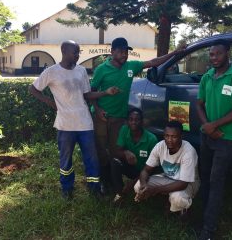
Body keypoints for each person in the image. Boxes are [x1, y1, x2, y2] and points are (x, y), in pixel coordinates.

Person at [91, 37, 186, 194]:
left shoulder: (131, 66)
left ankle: (116, 185)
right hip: (101, 116)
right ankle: (103, 181)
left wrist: (175, 53)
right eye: (120, 51)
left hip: (119, 118)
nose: (124, 55)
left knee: (115, 151)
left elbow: (153, 62)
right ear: (112, 51)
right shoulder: (102, 69)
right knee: (101, 150)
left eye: (126, 52)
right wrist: (97, 109)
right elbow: (92, 91)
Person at [29, 40, 119, 199]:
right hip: (65, 125)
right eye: (75, 52)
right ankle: (67, 189)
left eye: (78, 52)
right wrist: (49, 102)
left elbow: (87, 94)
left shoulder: (81, 71)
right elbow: (33, 89)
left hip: (85, 123)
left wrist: (105, 93)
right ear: (64, 51)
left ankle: (94, 189)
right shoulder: (51, 72)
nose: (77, 55)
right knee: (66, 161)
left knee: (91, 159)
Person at [196, 39, 232, 240]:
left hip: (227, 138)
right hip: (208, 134)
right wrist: (207, 127)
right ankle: (201, 218)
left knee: (216, 180)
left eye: (217, 54)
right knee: (205, 175)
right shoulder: (207, 77)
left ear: (228, 53)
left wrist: (215, 126)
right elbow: (199, 104)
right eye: (211, 54)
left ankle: (208, 230)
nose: (214, 58)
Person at [134, 121, 200, 215]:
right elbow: (146, 170)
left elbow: (183, 184)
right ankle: (166, 199)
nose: (169, 140)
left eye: (174, 137)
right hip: (168, 178)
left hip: (187, 183)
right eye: (167, 136)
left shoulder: (189, 151)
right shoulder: (160, 146)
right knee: (138, 186)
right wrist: (144, 185)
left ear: (181, 136)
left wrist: (155, 190)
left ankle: (184, 209)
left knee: (178, 199)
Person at [111, 108, 158, 204]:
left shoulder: (151, 139)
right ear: (127, 121)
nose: (133, 122)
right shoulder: (124, 130)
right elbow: (117, 151)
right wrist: (125, 152)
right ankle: (119, 193)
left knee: (140, 187)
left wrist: (132, 183)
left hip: (146, 172)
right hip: (131, 168)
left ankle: (139, 190)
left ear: (142, 121)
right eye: (131, 119)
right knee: (115, 161)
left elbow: (154, 168)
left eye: (137, 119)